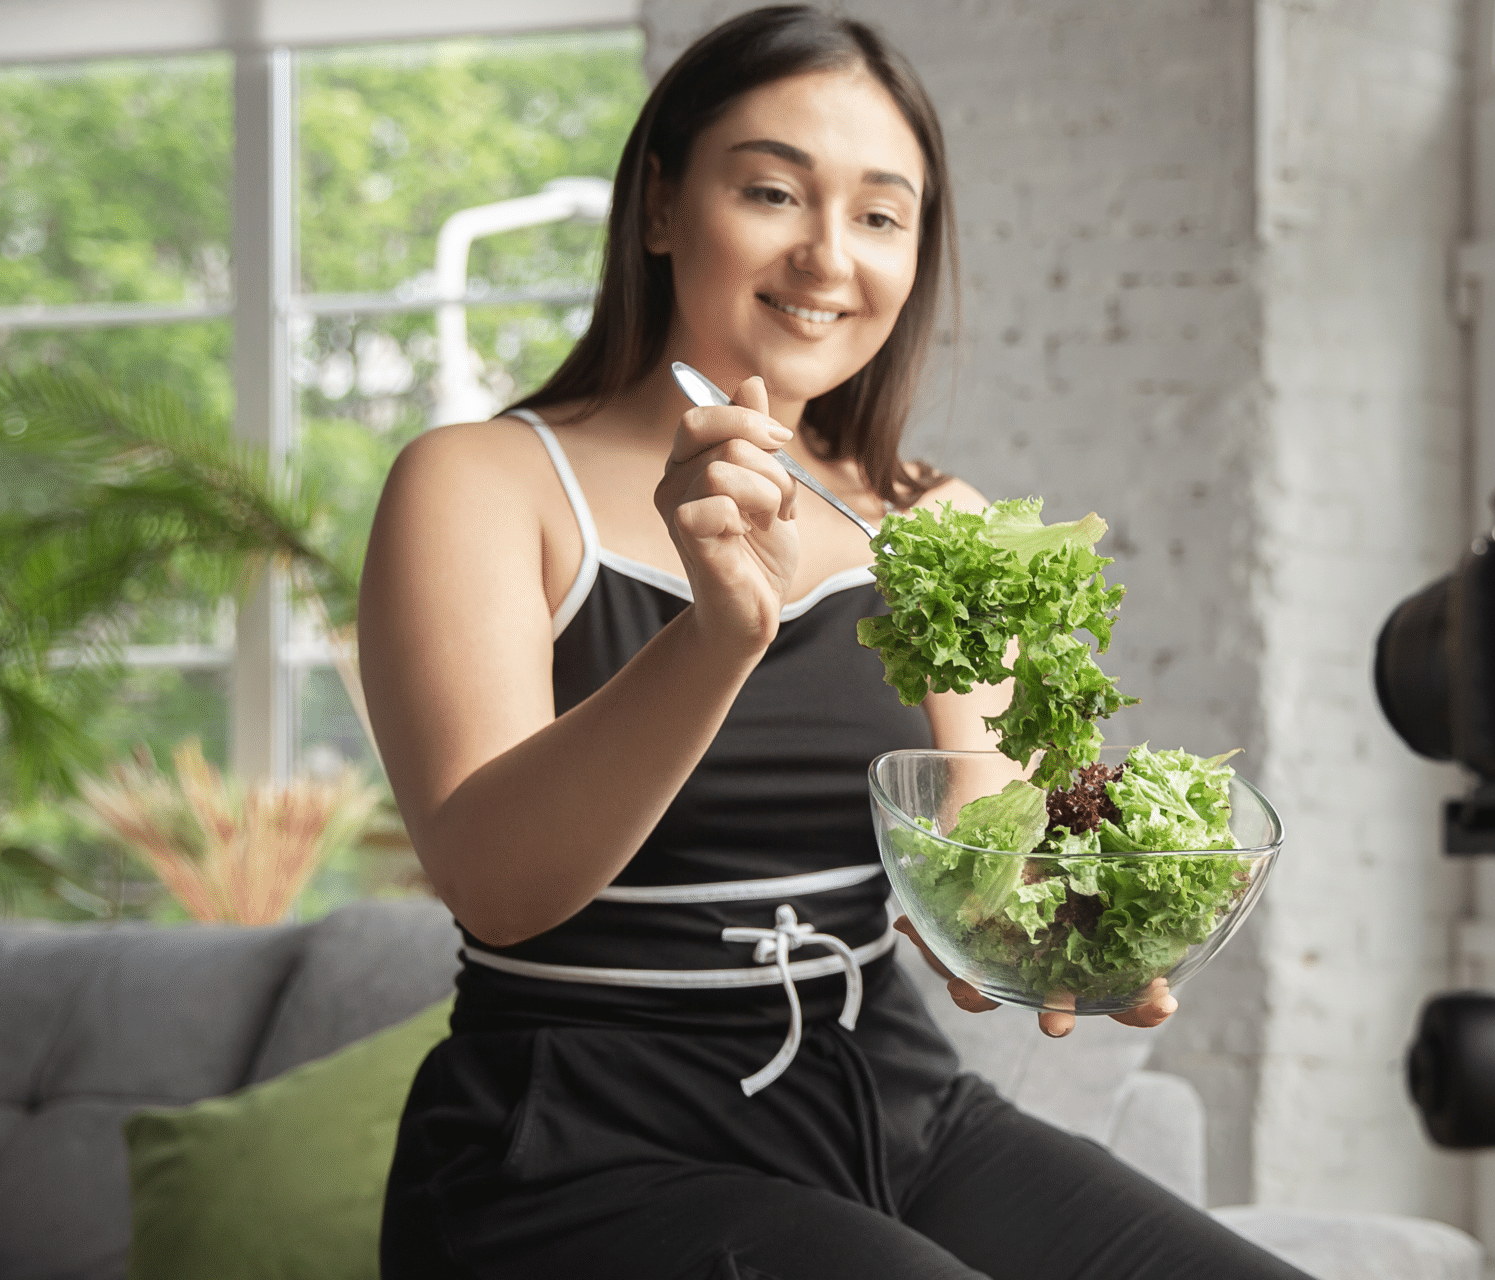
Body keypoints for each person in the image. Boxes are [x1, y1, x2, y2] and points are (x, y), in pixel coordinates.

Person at [362, 9, 1312, 1277]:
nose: (825, 255)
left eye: (880, 214)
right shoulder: (480, 482)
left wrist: (1079, 932)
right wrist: (719, 633)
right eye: (771, 191)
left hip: (886, 1097)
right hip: (574, 1135)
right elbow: (493, 880)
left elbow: (983, 879)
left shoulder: (941, 525)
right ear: (658, 206)